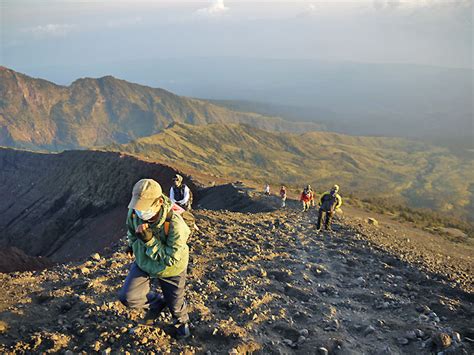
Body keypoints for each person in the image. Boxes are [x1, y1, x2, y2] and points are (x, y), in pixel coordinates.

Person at [119, 178, 191, 338]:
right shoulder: (134, 212)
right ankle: (157, 303)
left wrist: (149, 241)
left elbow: (171, 259)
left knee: (176, 305)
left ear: (159, 202)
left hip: (171, 269)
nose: (140, 212)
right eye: (138, 207)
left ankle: (181, 324)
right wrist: (132, 244)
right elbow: (131, 230)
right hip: (144, 262)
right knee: (128, 297)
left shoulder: (176, 225)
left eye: (144, 208)